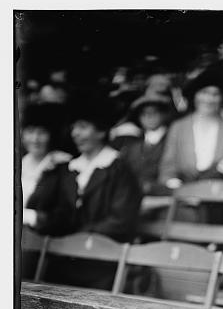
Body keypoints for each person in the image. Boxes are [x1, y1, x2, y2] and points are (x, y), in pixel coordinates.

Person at [38, 99, 142, 289]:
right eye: (74, 127)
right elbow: (59, 212)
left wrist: (79, 235)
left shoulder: (119, 169)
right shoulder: (69, 169)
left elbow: (121, 220)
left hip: (102, 259)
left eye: (83, 127)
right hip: (64, 257)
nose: (75, 133)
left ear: (101, 131)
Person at [158, 70, 223, 189]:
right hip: (184, 194)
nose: (209, 99)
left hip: (221, 194)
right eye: (204, 92)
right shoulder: (178, 127)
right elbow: (168, 166)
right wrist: (172, 182)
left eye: (215, 94)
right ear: (194, 95)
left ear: (222, 98)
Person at [21, 103, 73, 236]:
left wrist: (30, 216)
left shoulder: (62, 168)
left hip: (43, 243)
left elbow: (65, 216)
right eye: (30, 131)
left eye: (42, 132)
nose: (35, 139)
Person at [112, 94, 173, 195]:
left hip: (164, 196)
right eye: (144, 114)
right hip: (134, 197)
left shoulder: (172, 140)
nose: (149, 117)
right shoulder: (131, 146)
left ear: (164, 114)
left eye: (154, 112)